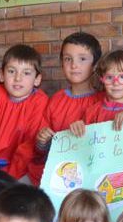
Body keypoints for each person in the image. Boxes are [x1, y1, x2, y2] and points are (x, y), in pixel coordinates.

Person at [0, 44, 49, 184]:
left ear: (37, 79)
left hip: (24, 170)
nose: (18, 78)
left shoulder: (40, 101)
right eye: (12, 71)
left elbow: (29, 146)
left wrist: (10, 177)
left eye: (26, 73)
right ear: (1, 75)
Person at [35, 32, 103, 164]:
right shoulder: (55, 101)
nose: (74, 65)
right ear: (62, 64)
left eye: (82, 59)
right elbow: (42, 150)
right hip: (60, 170)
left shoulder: (104, 101)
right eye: (68, 59)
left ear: (95, 65)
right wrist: (42, 141)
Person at [70, 49, 123, 135]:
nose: (116, 83)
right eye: (109, 77)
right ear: (102, 80)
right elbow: (84, 141)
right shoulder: (92, 112)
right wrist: (77, 128)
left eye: (122, 77)